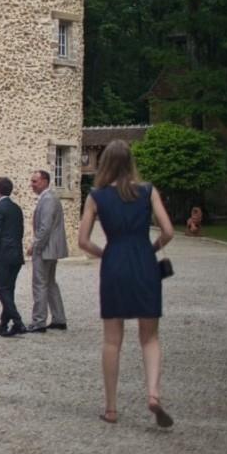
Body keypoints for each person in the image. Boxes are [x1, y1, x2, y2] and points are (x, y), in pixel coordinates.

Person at [78, 141, 175, 427]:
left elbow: (83, 240)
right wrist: (153, 248)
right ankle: (154, 394)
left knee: (112, 339)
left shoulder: (95, 196)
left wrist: (105, 252)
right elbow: (168, 230)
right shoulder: (147, 191)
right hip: (144, 260)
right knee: (150, 336)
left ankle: (111, 408)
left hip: (114, 262)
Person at [27, 169, 68, 333]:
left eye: (34, 181)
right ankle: (58, 319)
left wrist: (35, 246)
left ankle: (39, 321)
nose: (32, 185)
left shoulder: (48, 199)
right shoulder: (47, 198)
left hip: (45, 249)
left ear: (44, 181)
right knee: (50, 283)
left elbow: (45, 227)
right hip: (50, 249)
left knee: (40, 284)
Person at [0, 178, 27, 337]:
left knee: (1, 289)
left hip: (2, 255)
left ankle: (18, 321)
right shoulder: (17, 209)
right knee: (9, 289)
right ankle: (3, 324)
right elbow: (20, 232)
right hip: (16, 254)